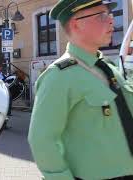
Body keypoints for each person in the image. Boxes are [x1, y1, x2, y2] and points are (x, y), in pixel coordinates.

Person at [28, 1, 133, 180]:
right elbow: (42, 140)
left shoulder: (108, 67)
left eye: (110, 14)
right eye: (101, 16)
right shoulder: (58, 76)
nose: (111, 20)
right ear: (77, 24)